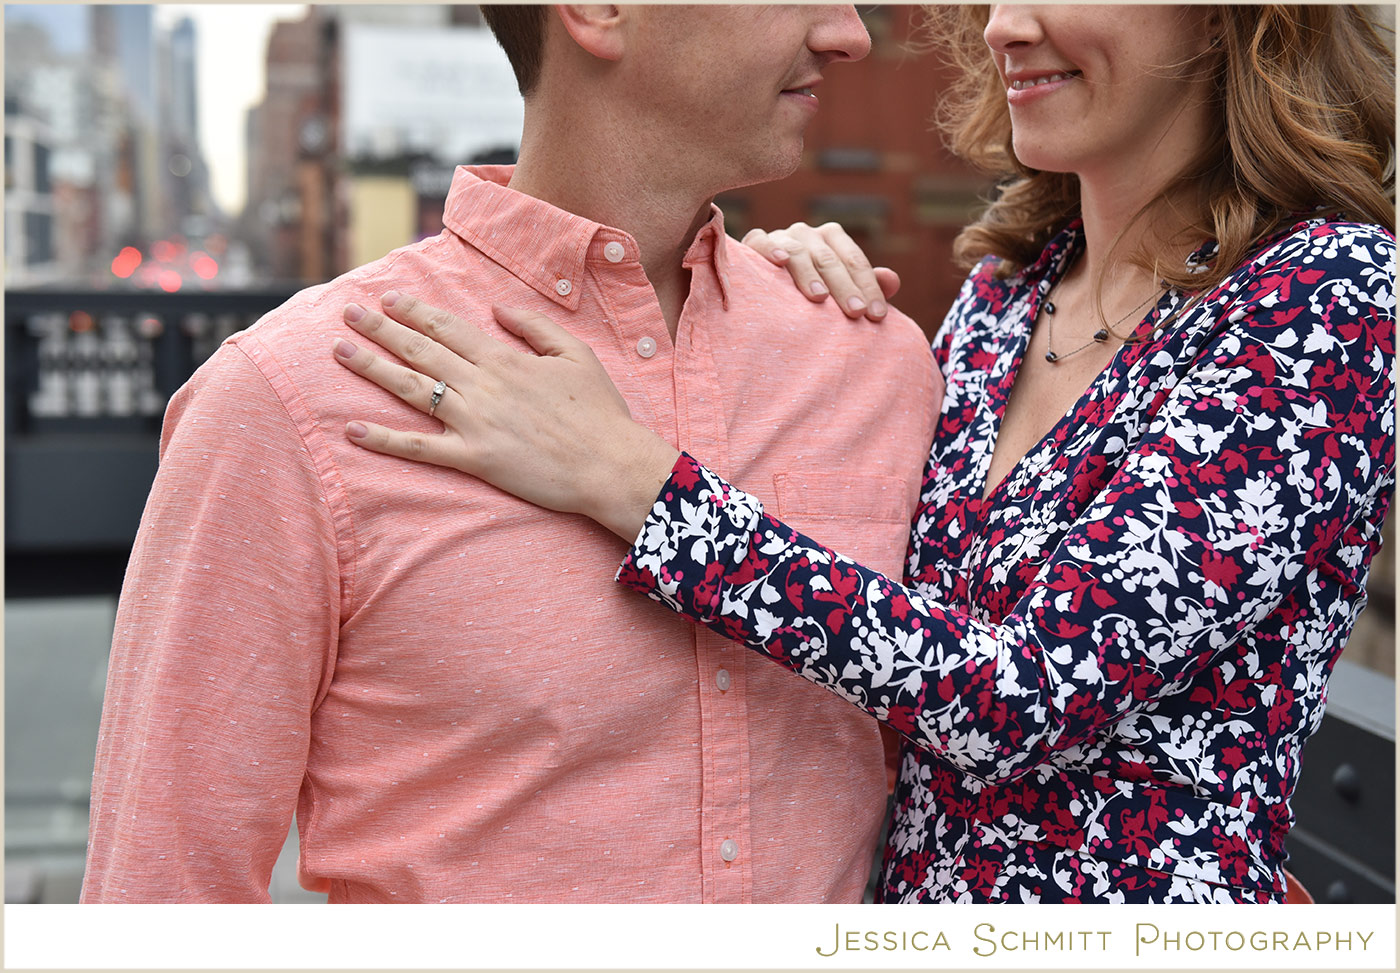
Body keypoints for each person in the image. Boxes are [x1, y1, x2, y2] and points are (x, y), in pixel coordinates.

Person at [329, 4, 1396, 903]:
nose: (1002, 27)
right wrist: (762, 291)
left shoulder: (1329, 297)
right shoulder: (1001, 299)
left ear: (1233, 20)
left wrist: (631, 477)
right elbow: (886, 611)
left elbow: (1019, 692)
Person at [81, 6, 943, 903]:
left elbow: (947, 786)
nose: (851, 33)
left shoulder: (873, 363)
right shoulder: (291, 401)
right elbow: (161, 894)